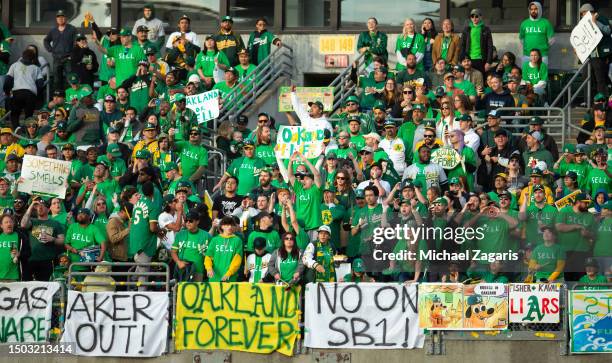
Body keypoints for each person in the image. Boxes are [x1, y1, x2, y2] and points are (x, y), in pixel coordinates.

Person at [4, 48, 44, 129]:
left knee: (15, 113)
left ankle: (16, 129)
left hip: (17, 92)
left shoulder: (14, 65)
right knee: (29, 115)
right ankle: (27, 130)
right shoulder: (36, 68)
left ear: (22, 56)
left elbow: (8, 80)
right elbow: (40, 83)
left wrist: (7, 92)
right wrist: (37, 94)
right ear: (33, 58)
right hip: (31, 93)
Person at [579, 3, 611, 97]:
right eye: (581, 14)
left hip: (600, 55)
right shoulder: (582, 23)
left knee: (600, 78)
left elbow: (608, 31)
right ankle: (588, 101)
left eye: (583, 13)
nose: (582, 16)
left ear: (589, 12)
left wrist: (595, 22)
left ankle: (602, 101)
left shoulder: (601, 19)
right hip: (588, 55)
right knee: (586, 77)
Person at [171, 210, 210, 282]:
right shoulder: (180, 234)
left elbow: (211, 254)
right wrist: (178, 262)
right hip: (182, 270)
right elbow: (173, 252)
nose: (188, 223)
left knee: (195, 292)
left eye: (191, 221)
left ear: (197, 222)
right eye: (186, 221)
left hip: (198, 271)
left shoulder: (206, 235)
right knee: (180, 292)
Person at [43, 10, 77, 91]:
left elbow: (76, 43)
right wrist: (51, 49)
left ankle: (70, 99)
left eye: (62, 17)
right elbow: (46, 40)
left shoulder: (72, 29)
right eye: (58, 17)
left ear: (66, 18)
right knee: (57, 80)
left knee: (70, 79)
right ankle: (58, 98)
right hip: (57, 59)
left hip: (68, 59)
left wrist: (72, 55)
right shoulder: (53, 30)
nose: (60, 19)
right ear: (56, 19)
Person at [205, 216, 243, 282]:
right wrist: (209, 268)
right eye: (227, 225)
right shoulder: (215, 240)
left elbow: (237, 260)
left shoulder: (237, 240)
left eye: (232, 225)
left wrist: (228, 274)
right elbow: (208, 256)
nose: (230, 227)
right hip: (214, 277)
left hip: (230, 278)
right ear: (222, 226)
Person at [460, 8, 494, 75]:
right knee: (468, 79)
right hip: (468, 60)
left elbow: (490, 47)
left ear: (480, 17)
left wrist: (488, 62)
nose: (474, 18)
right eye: (472, 16)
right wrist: (461, 60)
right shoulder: (466, 29)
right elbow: (462, 45)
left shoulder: (485, 29)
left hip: (481, 60)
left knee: (480, 79)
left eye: (476, 16)